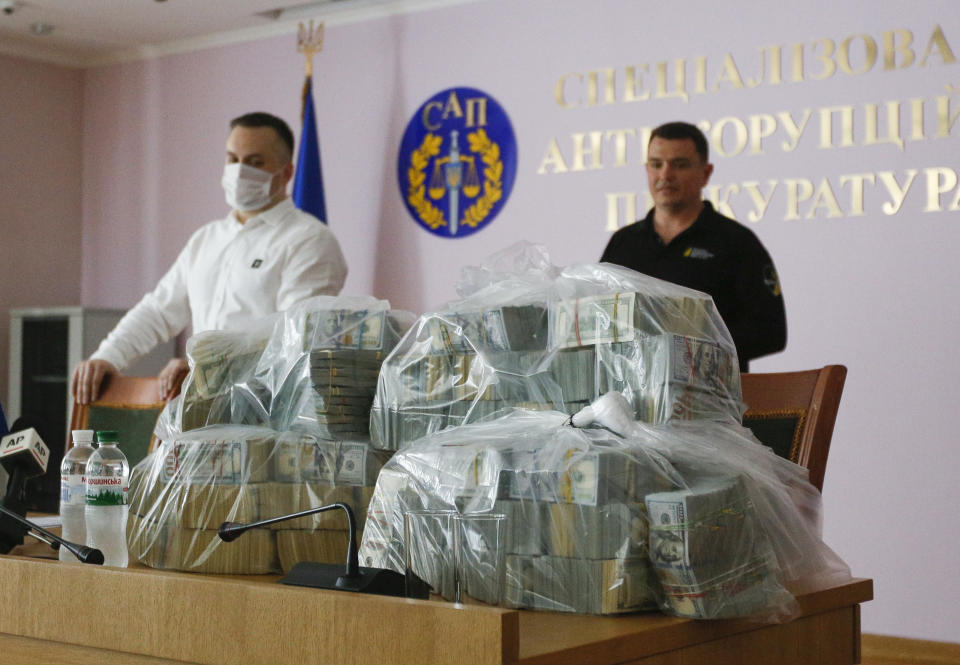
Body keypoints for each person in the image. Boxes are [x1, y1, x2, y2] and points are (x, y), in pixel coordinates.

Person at [72, 112, 348, 405]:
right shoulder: (207, 239)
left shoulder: (309, 239)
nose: (240, 171)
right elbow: (159, 310)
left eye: (255, 162)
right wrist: (107, 357)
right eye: (233, 159)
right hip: (199, 409)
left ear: (287, 173)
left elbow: (296, 335)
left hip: (270, 414)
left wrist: (207, 362)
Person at [601, 121, 785, 372]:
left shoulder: (736, 242)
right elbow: (599, 321)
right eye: (656, 164)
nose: (665, 175)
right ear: (647, 169)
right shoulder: (623, 243)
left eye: (680, 165)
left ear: (706, 173)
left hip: (710, 402)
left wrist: (689, 346)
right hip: (629, 401)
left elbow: (771, 332)